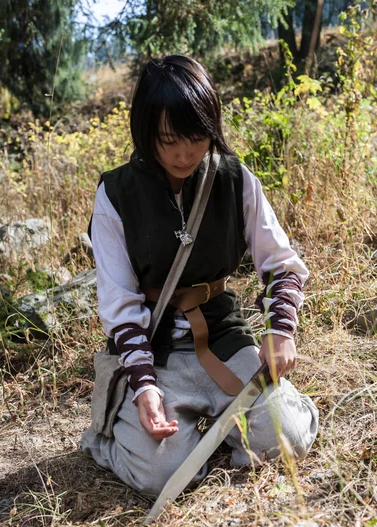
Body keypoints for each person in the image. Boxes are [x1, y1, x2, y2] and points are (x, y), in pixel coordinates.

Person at [81, 54, 319, 496]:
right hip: (157, 352)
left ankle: (256, 416)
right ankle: (112, 437)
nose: (184, 153)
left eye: (196, 137)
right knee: (161, 475)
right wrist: (144, 387)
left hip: (223, 336)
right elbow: (120, 306)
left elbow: (281, 264)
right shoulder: (115, 194)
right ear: (146, 130)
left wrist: (280, 330)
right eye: (169, 139)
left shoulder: (235, 179)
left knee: (286, 438)